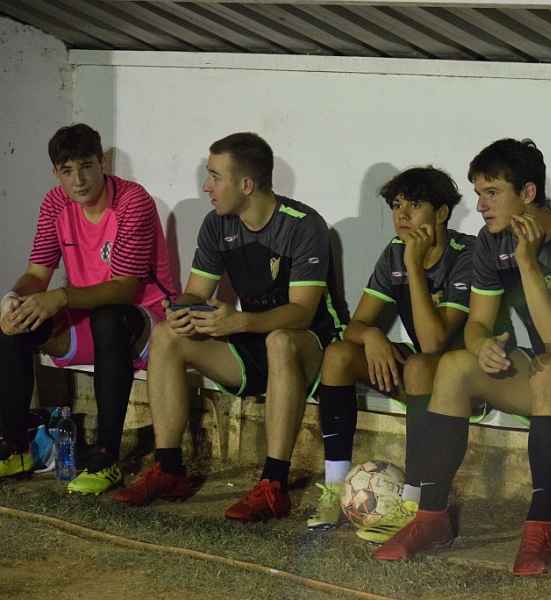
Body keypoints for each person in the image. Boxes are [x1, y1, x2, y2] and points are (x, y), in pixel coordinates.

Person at [373, 138, 551, 576]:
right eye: (479, 194)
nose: (481, 205)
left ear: (527, 193)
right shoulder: (491, 243)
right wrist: (482, 347)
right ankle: (431, 517)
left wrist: (527, 262)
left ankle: (541, 526)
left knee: (549, 369)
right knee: (454, 366)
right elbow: (476, 324)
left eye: (492, 193)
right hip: (550, 371)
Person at [112, 132, 346, 521]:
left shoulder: (303, 225)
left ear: (246, 185)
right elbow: (196, 292)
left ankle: (273, 485)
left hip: (310, 346)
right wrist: (180, 308)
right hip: (253, 337)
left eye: (215, 177)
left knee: (280, 341)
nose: (206, 186)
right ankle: (169, 469)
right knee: (167, 335)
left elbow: (303, 313)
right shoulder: (217, 224)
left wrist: (241, 321)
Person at [0, 123, 177, 495]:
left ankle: (106, 458)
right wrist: (13, 298)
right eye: (67, 170)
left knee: (108, 318)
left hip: (145, 321)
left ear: (102, 163)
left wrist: (61, 297)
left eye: (86, 167)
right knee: (14, 323)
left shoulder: (132, 201)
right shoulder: (55, 203)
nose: (78, 180)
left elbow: (125, 289)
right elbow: (36, 274)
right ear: (56, 173)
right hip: (87, 317)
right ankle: (16, 446)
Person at [306, 166, 475, 543]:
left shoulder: (467, 254)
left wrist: (414, 266)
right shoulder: (395, 253)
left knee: (419, 363)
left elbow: (434, 343)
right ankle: (334, 489)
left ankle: (411, 503)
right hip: (423, 375)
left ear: (441, 213)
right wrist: (372, 336)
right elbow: (356, 325)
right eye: (397, 205)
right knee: (338, 355)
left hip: (467, 381)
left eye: (414, 205)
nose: (402, 215)